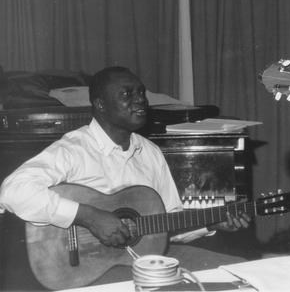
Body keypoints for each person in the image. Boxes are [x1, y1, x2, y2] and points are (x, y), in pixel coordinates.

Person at [0, 66, 250, 285]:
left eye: (141, 92)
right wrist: (89, 216)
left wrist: (211, 222)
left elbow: (167, 222)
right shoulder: (73, 149)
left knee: (241, 276)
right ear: (100, 104)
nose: (140, 100)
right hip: (87, 270)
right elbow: (12, 192)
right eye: (126, 94)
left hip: (150, 260)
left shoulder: (149, 152)